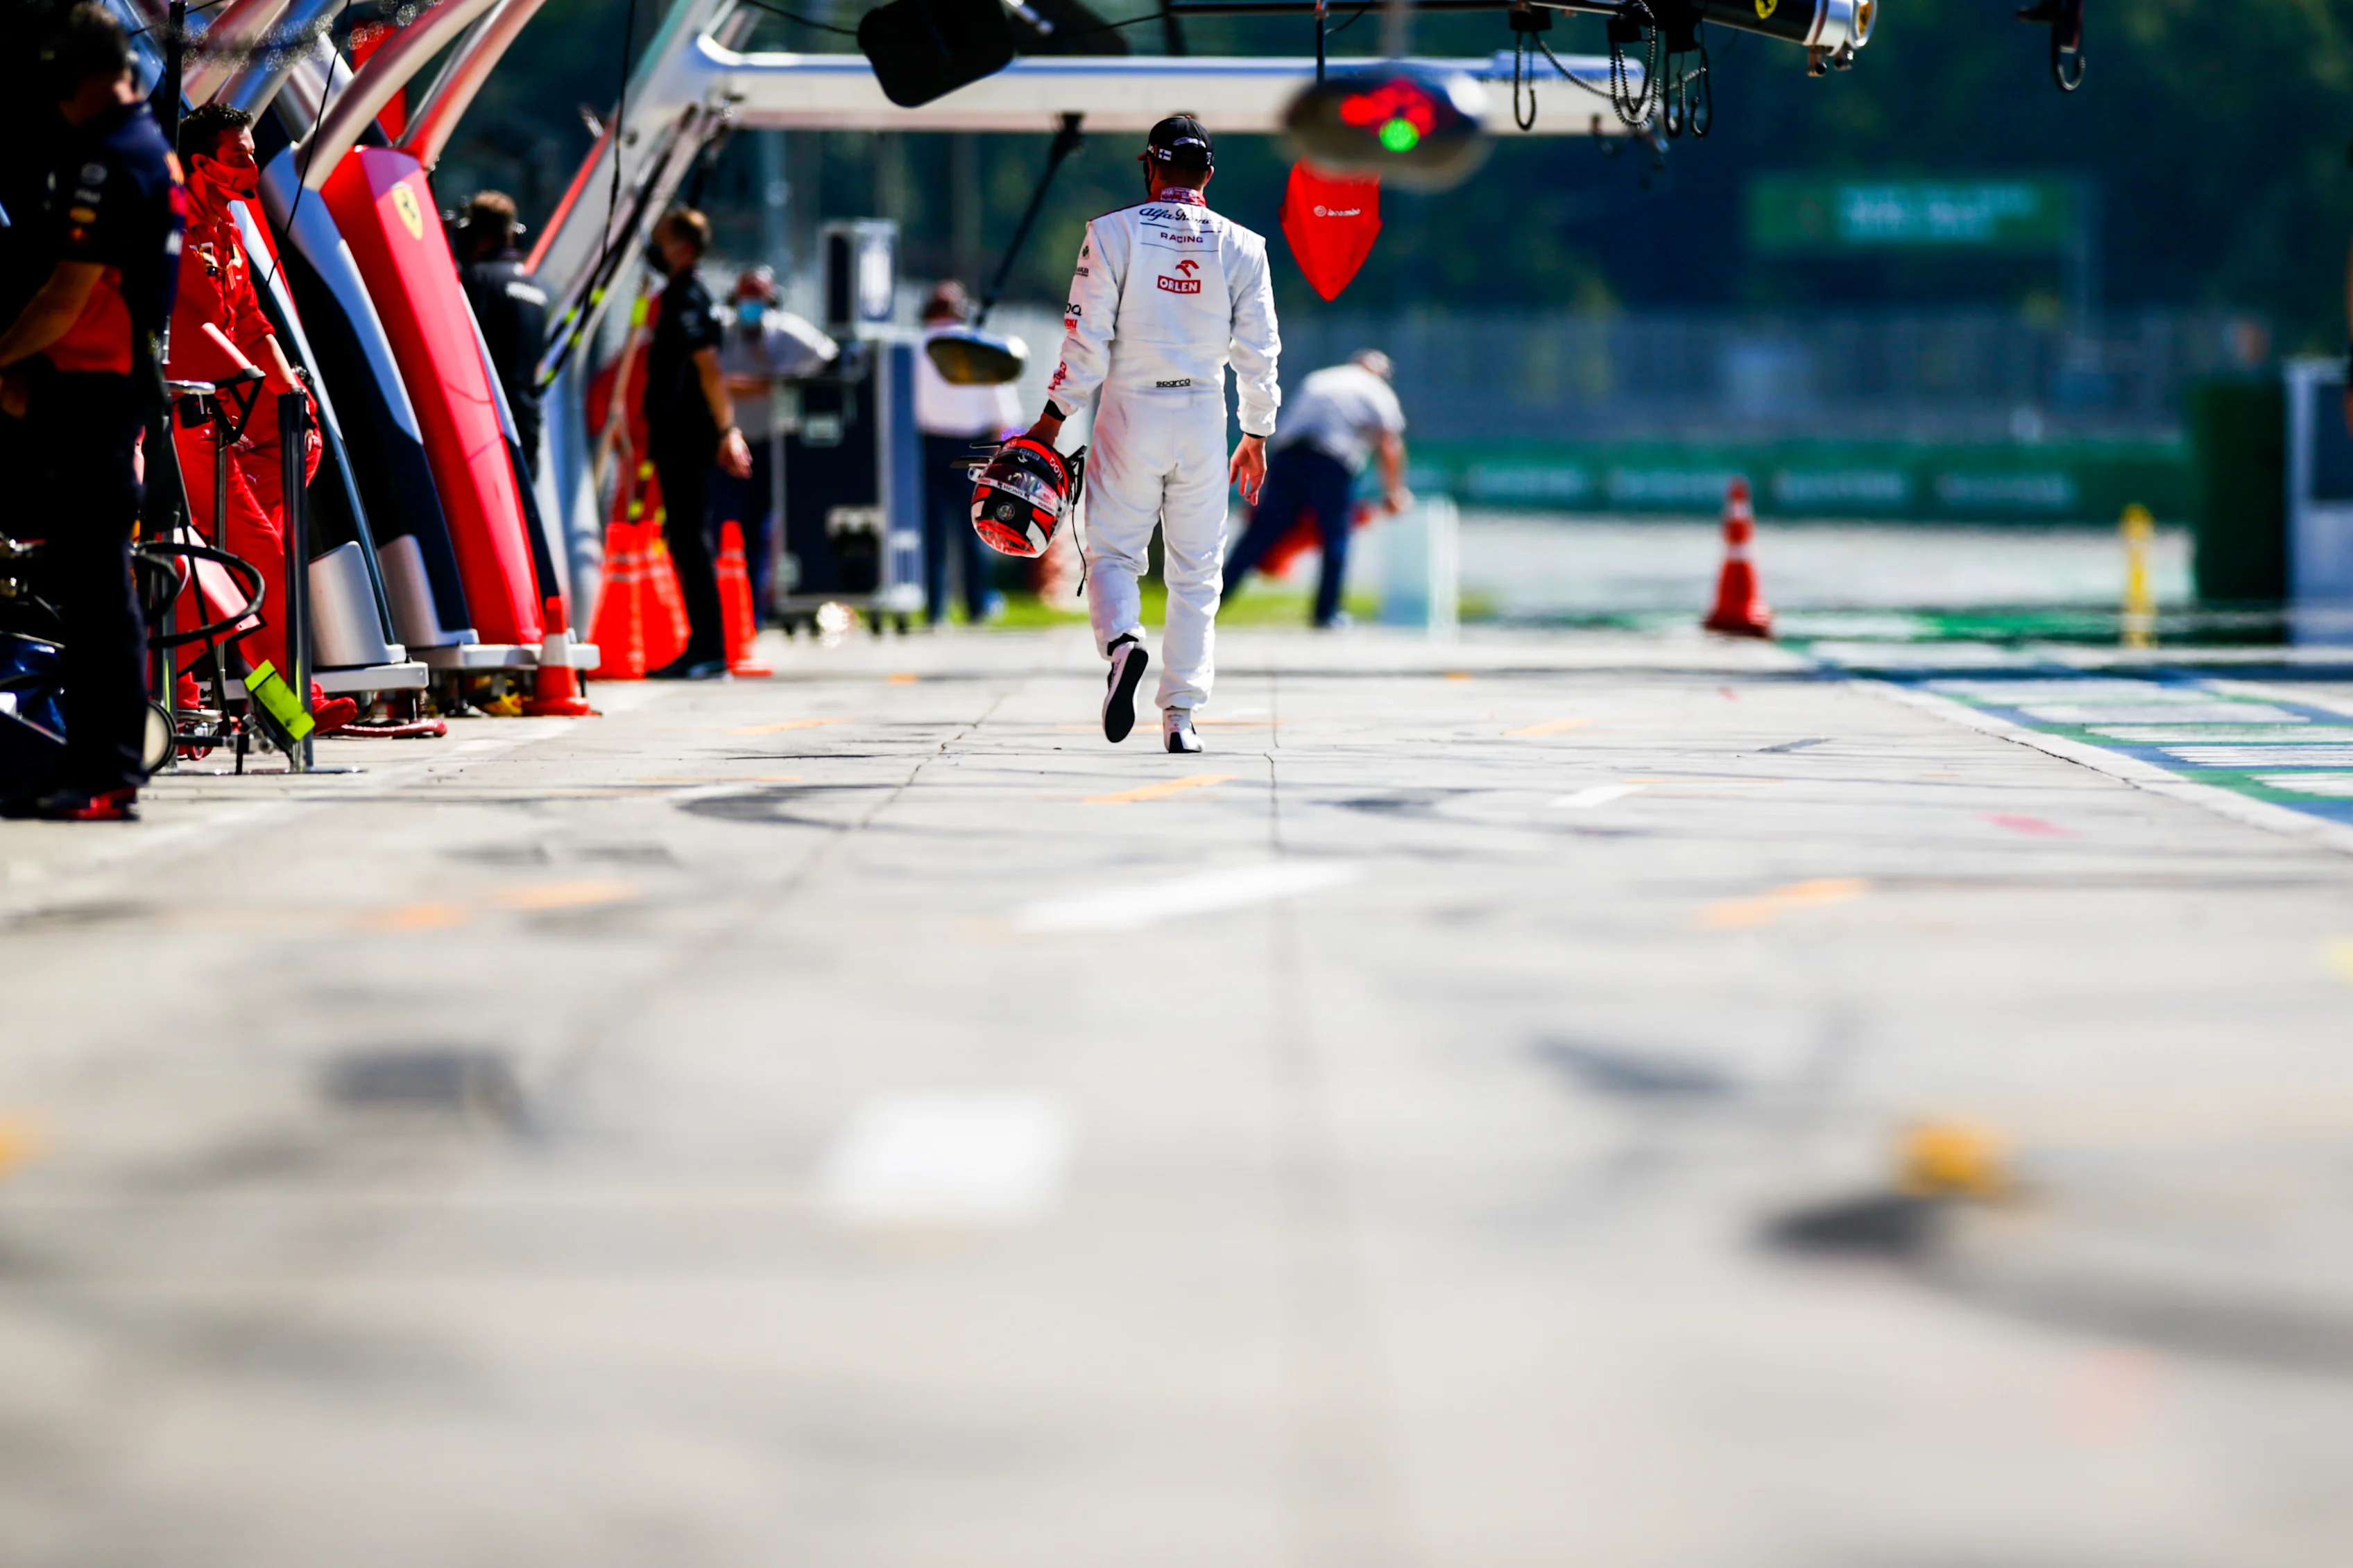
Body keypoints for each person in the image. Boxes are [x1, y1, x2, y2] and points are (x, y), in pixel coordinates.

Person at [1021, 114, 1279, 755]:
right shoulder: (1245, 245)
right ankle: (1182, 717)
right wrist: (1257, 431)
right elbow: (1260, 350)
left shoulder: (1111, 233)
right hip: (1202, 415)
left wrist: (1052, 419)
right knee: (1197, 575)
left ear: (1150, 166)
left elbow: (1085, 339)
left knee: (1110, 554)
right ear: (1209, 174)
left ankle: (1121, 644)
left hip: (1129, 409)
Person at [0, 6, 182, 820]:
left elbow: (69, 296)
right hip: (101, 392)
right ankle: (92, 762)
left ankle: (107, 769)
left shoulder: (110, 159)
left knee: (101, 595)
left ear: (81, 82)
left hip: (94, 397)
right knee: (91, 589)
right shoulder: (150, 149)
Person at [165, 101, 352, 734]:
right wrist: (248, 389)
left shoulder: (228, 231)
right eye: (240, 157)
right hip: (185, 420)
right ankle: (290, 705)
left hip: (229, 423)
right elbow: (189, 328)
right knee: (261, 563)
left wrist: (290, 394)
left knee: (220, 571)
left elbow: (251, 323)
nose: (251, 167)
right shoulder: (171, 226)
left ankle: (190, 689)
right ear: (201, 163)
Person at [639, 207, 750, 680]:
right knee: (684, 539)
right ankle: (703, 646)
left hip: (687, 438)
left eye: (662, 240)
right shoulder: (681, 295)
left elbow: (708, 369)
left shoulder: (687, 298)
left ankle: (708, 649)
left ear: (683, 246)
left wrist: (728, 430)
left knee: (690, 540)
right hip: (677, 437)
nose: (655, 249)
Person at [1222, 349, 1408, 629]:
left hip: (1288, 456)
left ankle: (1213, 601)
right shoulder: (1378, 391)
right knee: (1335, 536)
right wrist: (1394, 492)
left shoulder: (1321, 379)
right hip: (1330, 462)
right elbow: (1389, 445)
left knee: (1259, 533)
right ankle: (1326, 613)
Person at [716, 264, 835, 623]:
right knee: (728, 528)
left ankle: (767, 608)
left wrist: (776, 381)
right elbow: (714, 379)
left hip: (775, 444)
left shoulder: (786, 333)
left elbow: (829, 358)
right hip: (733, 442)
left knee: (769, 530)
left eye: (759, 297)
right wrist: (762, 383)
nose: (751, 305)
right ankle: (732, 611)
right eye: (746, 297)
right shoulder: (722, 331)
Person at [916, 279, 1020, 625]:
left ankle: (936, 608)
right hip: (973, 448)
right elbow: (1004, 413)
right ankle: (977, 603)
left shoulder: (916, 347)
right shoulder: (981, 348)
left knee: (933, 532)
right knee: (976, 528)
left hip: (927, 445)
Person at [456, 190, 547, 478]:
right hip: (526, 427)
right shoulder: (536, 289)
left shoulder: (478, 279)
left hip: (486, 426)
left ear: (474, 233)